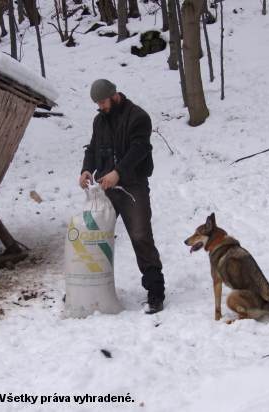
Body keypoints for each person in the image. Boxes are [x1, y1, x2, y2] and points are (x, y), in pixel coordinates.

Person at [79, 79, 165, 314]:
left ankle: (155, 290)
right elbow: (93, 149)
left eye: (103, 101)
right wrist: (87, 169)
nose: (100, 106)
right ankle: (86, 288)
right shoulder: (99, 120)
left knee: (140, 236)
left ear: (114, 95)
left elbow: (140, 149)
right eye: (97, 103)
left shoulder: (138, 116)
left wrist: (118, 172)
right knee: (93, 235)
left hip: (133, 186)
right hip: (105, 187)